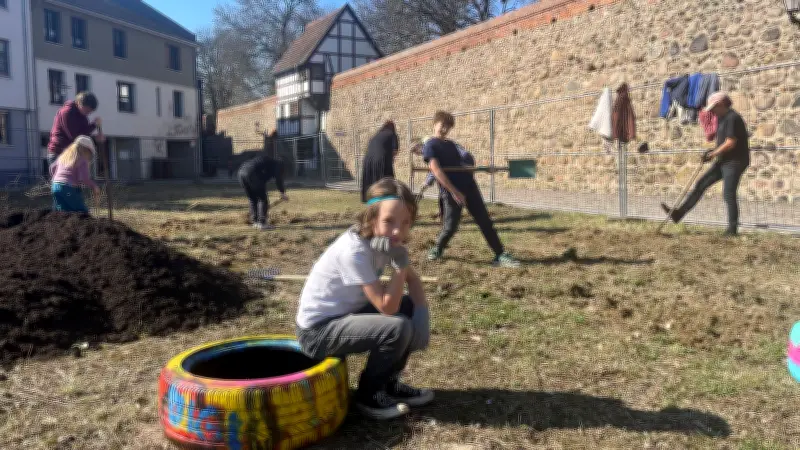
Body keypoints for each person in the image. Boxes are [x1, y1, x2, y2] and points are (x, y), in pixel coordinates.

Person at [295, 178, 433, 420]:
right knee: (397, 326)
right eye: (389, 221)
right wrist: (399, 268)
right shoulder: (355, 251)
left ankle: (389, 383)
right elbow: (387, 308)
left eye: (406, 223)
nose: (398, 231)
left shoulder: (384, 243)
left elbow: (414, 283)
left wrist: (421, 315)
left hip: (347, 317)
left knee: (408, 307)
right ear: (371, 218)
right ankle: (369, 396)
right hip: (318, 332)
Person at [422, 111, 520, 267]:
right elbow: (436, 170)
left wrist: (485, 169)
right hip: (451, 192)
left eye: (448, 126)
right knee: (450, 226)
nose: (445, 129)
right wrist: (455, 192)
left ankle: (500, 254)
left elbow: (462, 166)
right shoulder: (430, 145)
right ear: (434, 124)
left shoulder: (451, 145)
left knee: (484, 221)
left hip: (469, 186)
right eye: (443, 125)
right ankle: (437, 248)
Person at [660, 92, 750, 236]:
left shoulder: (733, 118)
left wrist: (712, 154)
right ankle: (678, 214)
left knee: (728, 194)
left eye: (714, 108)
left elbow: (731, 142)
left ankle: (732, 230)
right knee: (701, 185)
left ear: (720, 105)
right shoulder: (721, 118)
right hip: (723, 160)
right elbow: (722, 142)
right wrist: (712, 151)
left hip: (735, 161)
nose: (712, 111)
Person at [413, 136, 475, 221]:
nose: (416, 154)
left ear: (418, 146)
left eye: (414, 151)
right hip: (467, 159)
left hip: (461, 162)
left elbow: (434, 169)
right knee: (463, 188)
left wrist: (427, 182)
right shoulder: (438, 144)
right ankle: (450, 213)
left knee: (445, 189)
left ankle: (446, 215)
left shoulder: (428, 148)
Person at [47, 92, 105, 167]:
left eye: (90, 111)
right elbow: (75, 137)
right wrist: (93, 125)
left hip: (71, 154)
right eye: (87, 110)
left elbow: (83, 135)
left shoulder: (83, 116)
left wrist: (95, 138)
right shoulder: (67, 112)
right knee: (63, 178)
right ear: (79, 103)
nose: (89, 113)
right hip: (59, 153)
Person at [50, 135, 100, 213]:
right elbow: (84, 179)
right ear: (86, 150)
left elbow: (52, 168)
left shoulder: (64, 156)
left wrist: (58, 179)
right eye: (89, 153)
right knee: (81, 213)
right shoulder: (82, 160)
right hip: (69, 189)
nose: (89, 156)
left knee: (63, 213)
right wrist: (94, 186)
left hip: (55, 187)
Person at [237, 153, 289, 230]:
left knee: (253, 199)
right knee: (263, 199)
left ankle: (255, 222)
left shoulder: (266, 162)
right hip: (252, 173)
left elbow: (263, 179)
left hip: (241, 173)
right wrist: (282, 192)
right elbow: (278, 179)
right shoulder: (278, 164)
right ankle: (262, 223)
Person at [361, 121, 399, 203]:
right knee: (386, 180)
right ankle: (386, 198)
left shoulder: (375, 135)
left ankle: (370, 199)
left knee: (372, 181)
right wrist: (391, 160)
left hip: (368, 160)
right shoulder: (392, 134)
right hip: (381, 158)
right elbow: (395, 151)